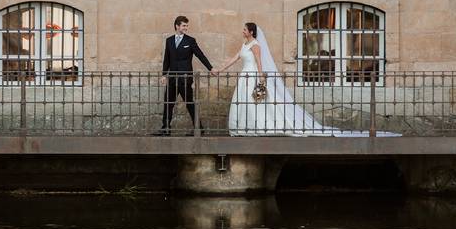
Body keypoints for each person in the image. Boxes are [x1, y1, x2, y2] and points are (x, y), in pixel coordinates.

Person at [217, 22, 399, 137]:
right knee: (245, 102)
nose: (242, 31)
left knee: (255, 102)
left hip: (253, 75)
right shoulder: (244, 44)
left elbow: (258, 62)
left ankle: (257, 127)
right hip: (244, 77)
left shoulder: (256, 46)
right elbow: (235, 58)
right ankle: (244, 127)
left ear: (251, 32)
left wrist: (261, 78)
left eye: (244, 29)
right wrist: (219, 69)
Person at [157, 16, 214, 136]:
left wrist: (211, 68)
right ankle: (166, 128)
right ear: (177, 26)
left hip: (185, 78)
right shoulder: (169, 40)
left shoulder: (190, 41)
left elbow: (200, 55)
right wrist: (164, 75)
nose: (186, 28)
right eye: (184, 25)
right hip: (172, 78)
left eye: (187, 26)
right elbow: (166, 59)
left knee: (190, 103)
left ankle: (199, 128)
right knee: (168, 103)